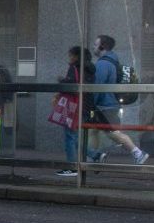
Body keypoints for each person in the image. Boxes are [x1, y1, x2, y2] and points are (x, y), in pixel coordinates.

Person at [91, 34, 148, 165]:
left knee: (112, 133)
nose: (93, 47)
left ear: (102, 46)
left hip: (104, 105)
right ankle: (94, 156)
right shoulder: (113, 61)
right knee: (93, 130)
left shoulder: (103, 64)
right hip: (110, 104)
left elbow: (97, 86)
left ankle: (137, 152)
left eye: (95, 44)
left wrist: (90, 103)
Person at [53, 46, 98, 177]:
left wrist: (62, 80)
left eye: (71, 55)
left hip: (74, 106)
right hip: (85, 106)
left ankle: (72, 167)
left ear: (77, 56)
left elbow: (71, 86)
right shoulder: (90, 69)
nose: (70, 58)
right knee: (75, 137)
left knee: (69, 137)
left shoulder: (75, 68)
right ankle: (96, 155)